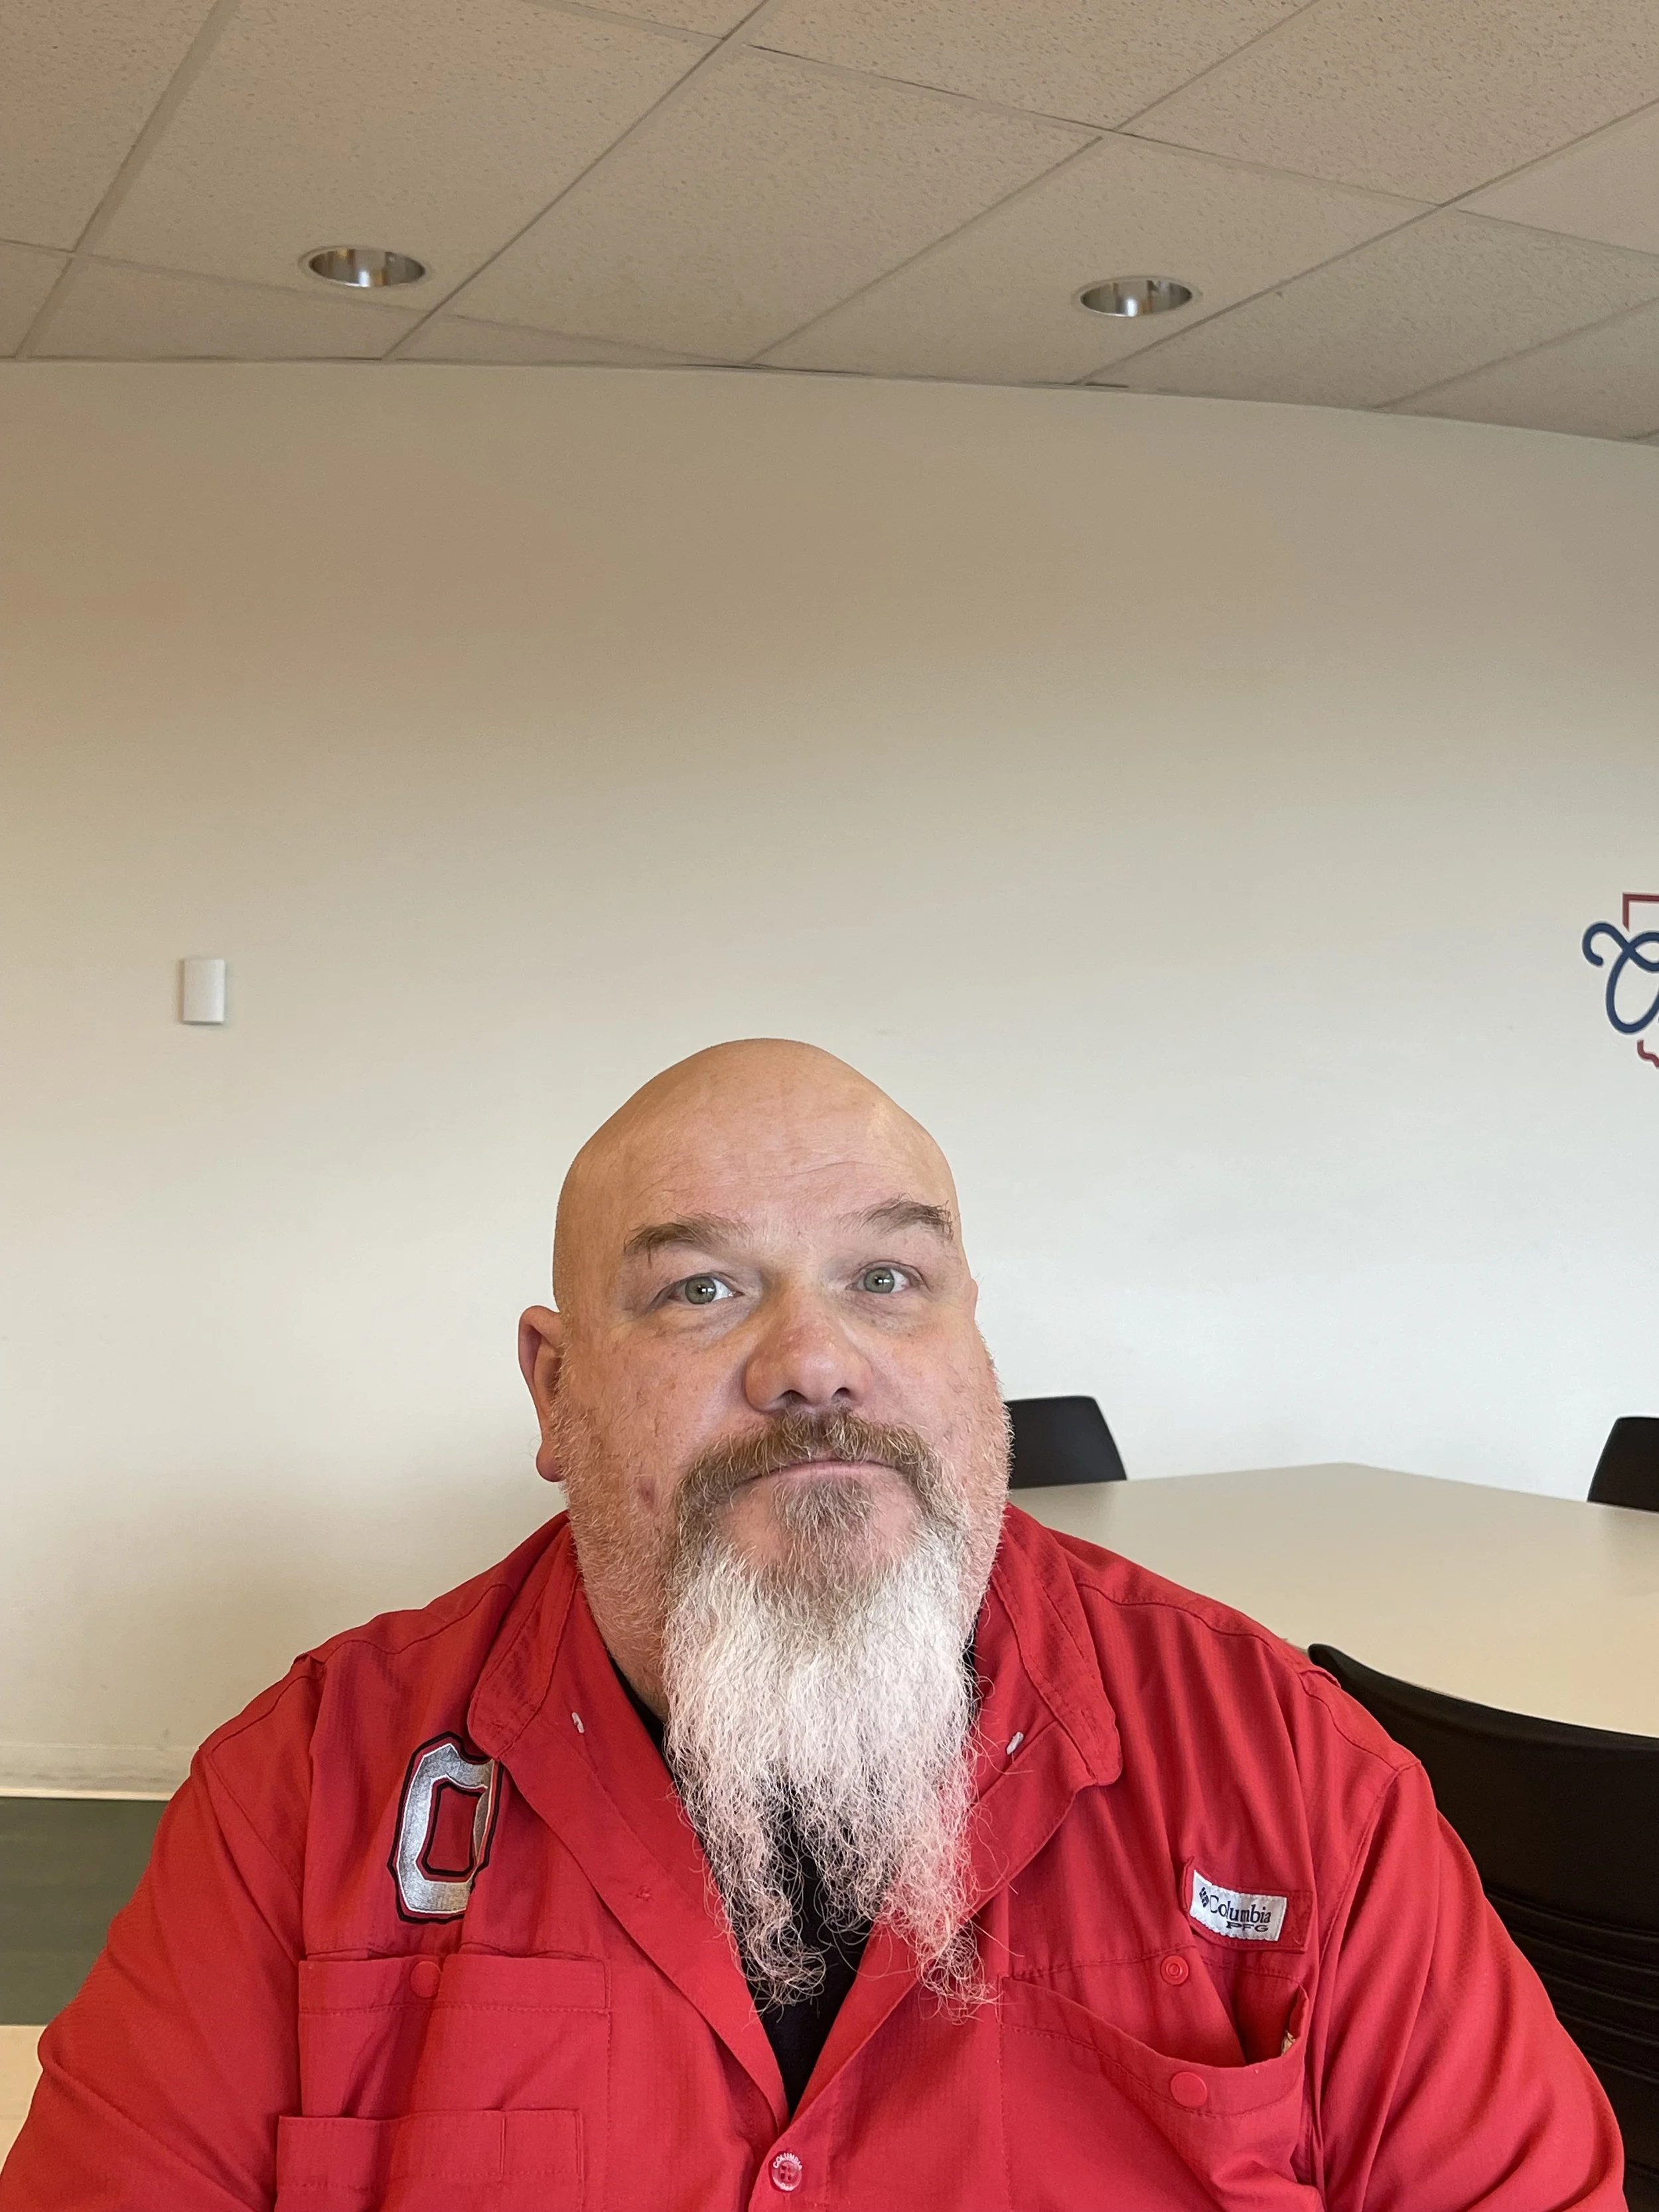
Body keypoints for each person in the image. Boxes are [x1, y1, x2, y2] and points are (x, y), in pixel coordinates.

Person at [1, 1039, 1623, 2209]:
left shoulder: (1290, 1778)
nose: (814, 1359)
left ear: (976, 1347)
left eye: (888, 1279)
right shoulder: (305, 1797)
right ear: (554, 1392)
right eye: (700, 1289)